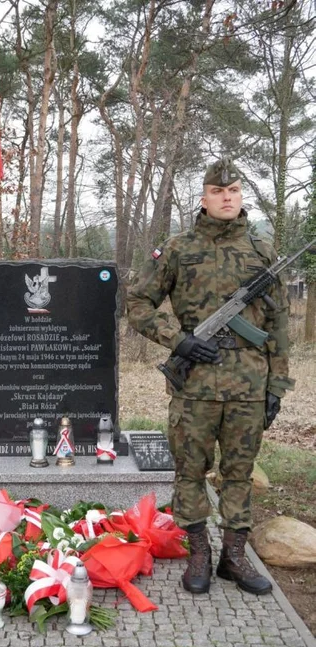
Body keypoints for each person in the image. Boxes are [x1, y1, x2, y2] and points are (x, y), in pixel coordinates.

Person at [126, 158, 294, 596]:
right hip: (195, 386)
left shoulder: (262, 251)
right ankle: (198, 553)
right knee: (190, 471)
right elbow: (139, 302)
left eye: (233, 191)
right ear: (203, 198)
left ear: (241, 197)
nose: (226, 198)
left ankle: (233, 559)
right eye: (218, 192)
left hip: (249, 387)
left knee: (239, 473)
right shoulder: (178, 248)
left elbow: (278, 325)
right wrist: (178, 341)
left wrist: (277, 384)